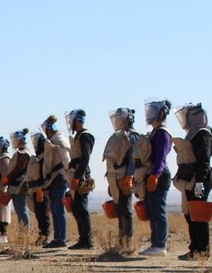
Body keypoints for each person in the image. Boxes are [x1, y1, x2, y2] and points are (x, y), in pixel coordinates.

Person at [173, 103, 212, 260]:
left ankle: (202, 251)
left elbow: (204, 161)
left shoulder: (203, 135)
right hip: (191, 179)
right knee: (190, 215)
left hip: (200, 179)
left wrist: (199, 182)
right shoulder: (195, 134)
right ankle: (195, 248)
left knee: (198, 216)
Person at [137, 100, 173, 257]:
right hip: (152, 174)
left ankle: (160, 245)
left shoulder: (163, 133)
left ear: (161, 113)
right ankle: (155, 243)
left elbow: (161, 158)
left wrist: (154, 176)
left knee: (158, 209)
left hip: (159, 175)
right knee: (152, 209)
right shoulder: (155, 132)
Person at [102, 107, 138, 252]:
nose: (116, 121)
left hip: (124, 177)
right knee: (120, 210)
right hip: (114, 178)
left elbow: (133, 159)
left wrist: (129, 177)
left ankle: (126, 243)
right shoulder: (117, 136)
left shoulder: (133, 136)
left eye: (119, 118)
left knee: (126, 210)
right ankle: (121, 240)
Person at [66, 109, 95, 249]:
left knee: (82, 208)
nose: (70, 123)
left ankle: (87, 241)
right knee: (76, 207)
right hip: (75, 173)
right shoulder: (78, 135)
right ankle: (82, 239)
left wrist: (77, 177)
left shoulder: (85, 136)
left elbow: (85, 159)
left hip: (82, 175)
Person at [40, 115, 70, 248]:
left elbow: (67, 162)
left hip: (60, 179)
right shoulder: (51, 142)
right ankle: (57, 237)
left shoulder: (60, 142)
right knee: (54, 209)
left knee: (59, 209)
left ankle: (62, 238)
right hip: (52, 180)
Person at [26, 132, 52, 244]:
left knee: (43, 214)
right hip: (34, 190)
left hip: (41, 190)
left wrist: (41, 189)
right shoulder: (37, 158)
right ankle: (41, 236)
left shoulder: (44, 158)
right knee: (39, 214)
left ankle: (45, 236)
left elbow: (45, 175)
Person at [5, 129, 32, 232]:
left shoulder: (24, 153)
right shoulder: (19, 153)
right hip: (16, 184)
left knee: (22, 210)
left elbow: (18, 169)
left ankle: (26, 233)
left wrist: (8, 178)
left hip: (21, 185)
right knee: (19, 210)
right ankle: (22, 232)